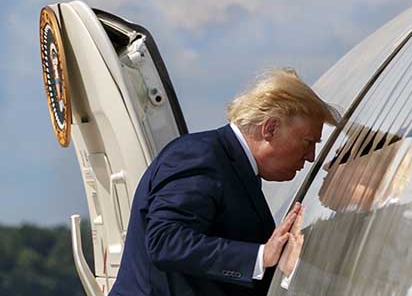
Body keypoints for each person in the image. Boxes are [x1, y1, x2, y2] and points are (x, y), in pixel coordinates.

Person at [109, 68, 338, 296]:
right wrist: (261, 256)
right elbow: (166, 241)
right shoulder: (199, 155)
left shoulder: (234, 167)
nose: (311, 156)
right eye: (307, 142)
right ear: (270, 128)